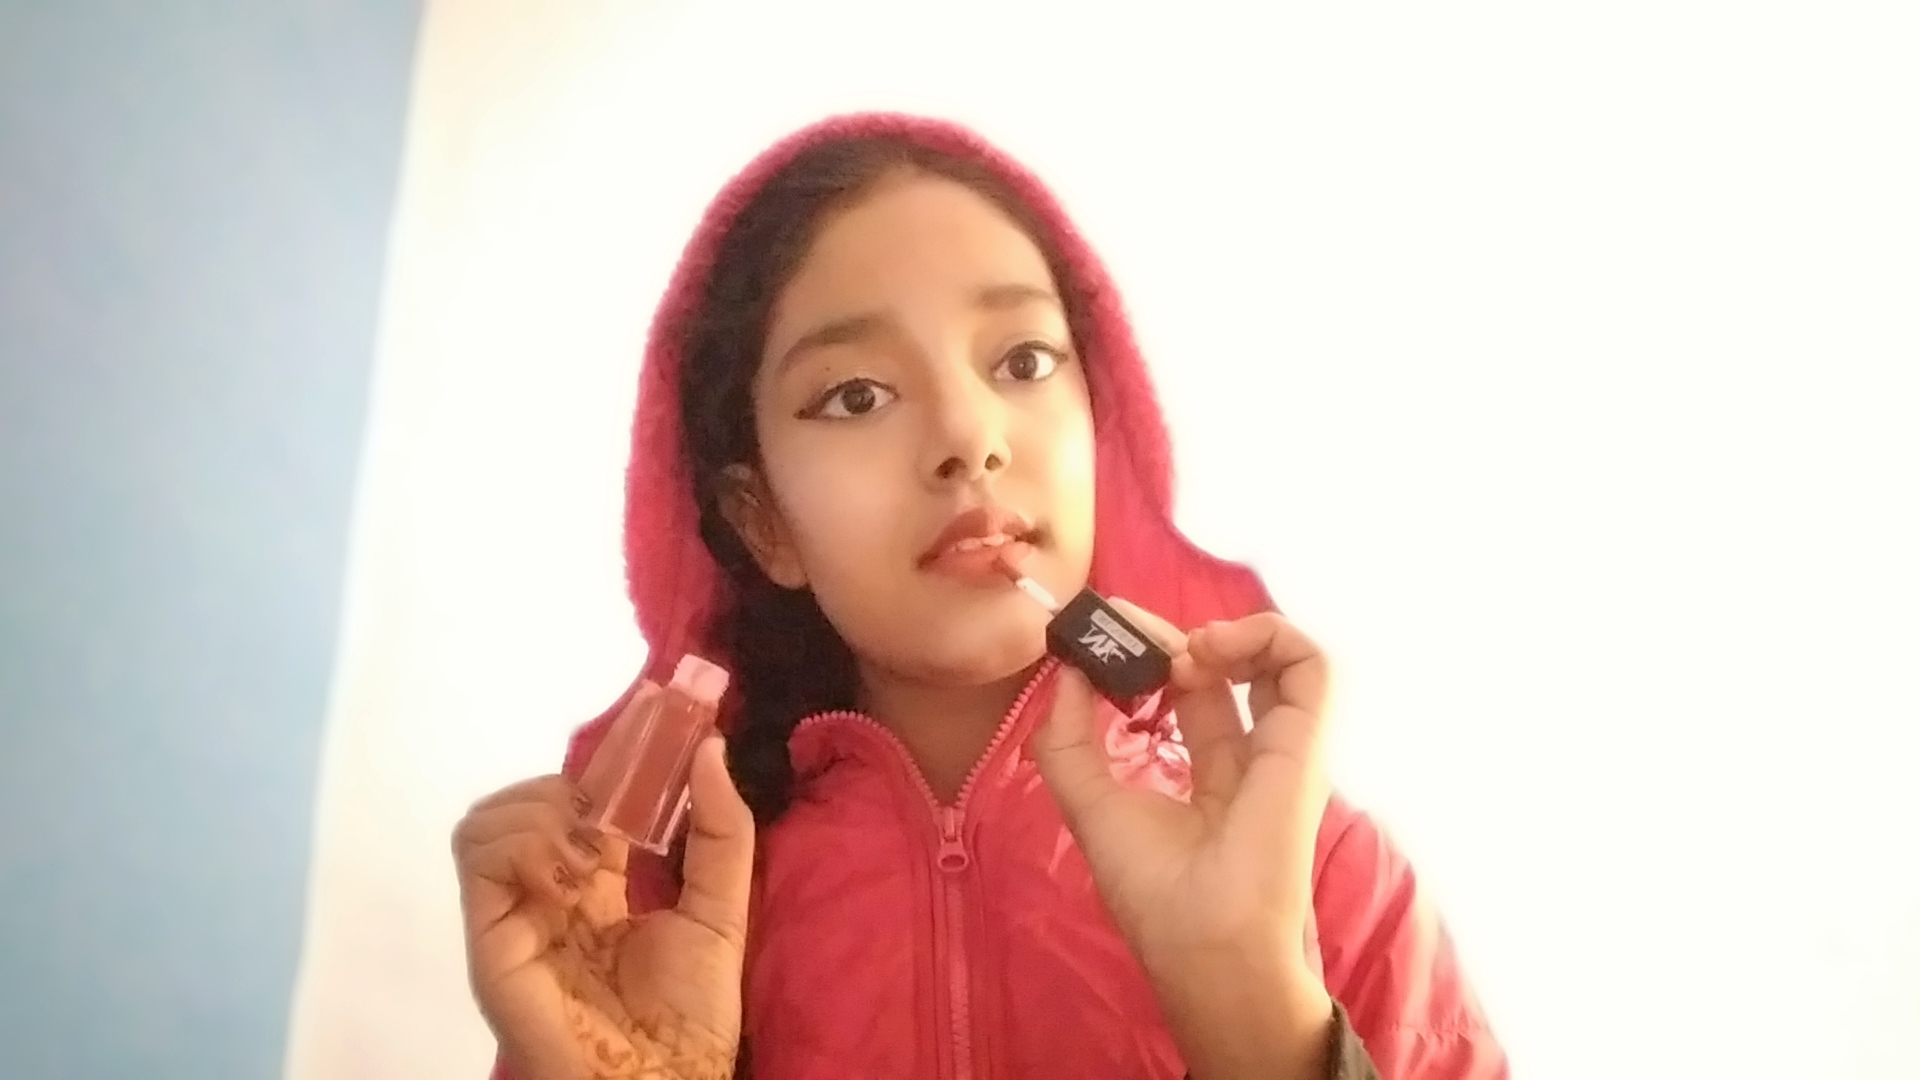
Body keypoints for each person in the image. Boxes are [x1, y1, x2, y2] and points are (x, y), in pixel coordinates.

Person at [451, 113, 1509, 1080]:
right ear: (763, 520)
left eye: (1024, 360)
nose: (968, 437)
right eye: (857, 395)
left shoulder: (1312, 868)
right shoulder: (654, 913)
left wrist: (1256, 1016)